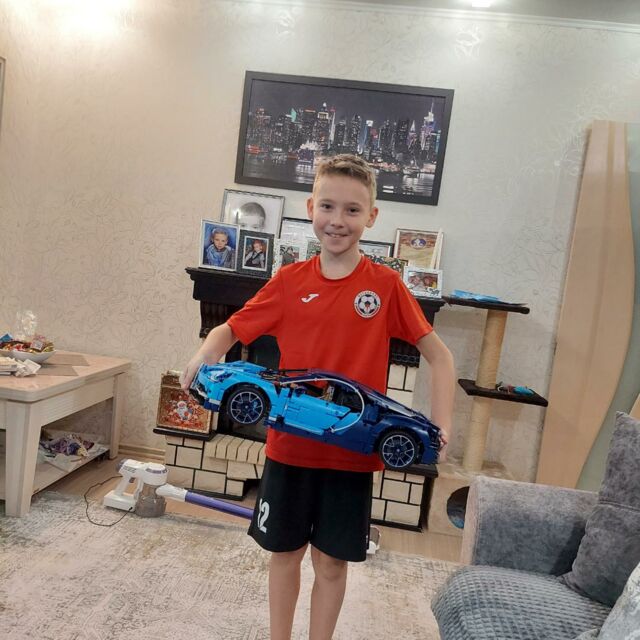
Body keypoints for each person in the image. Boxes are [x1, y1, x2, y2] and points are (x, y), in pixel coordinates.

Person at [181, 154, 455, 640]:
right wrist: (202, 356)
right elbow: (229, 329)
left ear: (371, 216)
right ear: (311, 208)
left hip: (351, 456)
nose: (338, 220)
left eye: (352, 210)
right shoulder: (289, 281)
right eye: (327, 206)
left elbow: (441, 357)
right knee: (284, 554)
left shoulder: (386, 286)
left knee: (331, 563)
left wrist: (442, 424)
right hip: (290, 451)